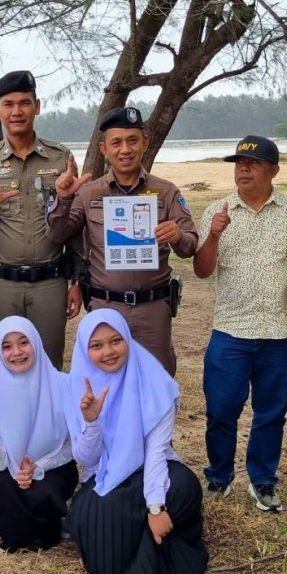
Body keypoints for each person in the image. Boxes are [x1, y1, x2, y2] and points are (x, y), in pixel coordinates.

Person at [193, 135, 287, 512]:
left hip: (279, 331)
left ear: (273, 170)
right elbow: (202, 270)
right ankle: (219, 476)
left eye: (254, 163)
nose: (243, 169)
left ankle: (262, 480)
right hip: (231, 331)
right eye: (239, 163)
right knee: (220, 411)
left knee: (271, 414)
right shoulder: (218, 211)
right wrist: (214, 234)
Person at [64, 309, 208, 574]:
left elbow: (156, 452)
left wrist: (155, 508)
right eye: (96, 345)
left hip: (152, 471)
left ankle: (140, 541)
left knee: (185, 486)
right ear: (84, 349)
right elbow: (88, 460)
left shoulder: (153, 380)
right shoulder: (76, 385)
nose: (108, 351)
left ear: (128, 339)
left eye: (116, 340)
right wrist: (91, 421)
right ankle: (152, 555)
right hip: (106, 475)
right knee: (94, 512)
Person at [45, 107, 198, 375]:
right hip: (106, 307)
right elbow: (57, 235)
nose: (125, 150)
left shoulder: (165, 191)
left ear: (145, 143)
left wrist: (178, 235)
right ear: (104, 149)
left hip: (153, 310)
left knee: (156, 382)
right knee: (106, 382)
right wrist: (64, 198)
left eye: (132, 140)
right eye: (116, 142)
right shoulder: (88, 193)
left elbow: (190, 246)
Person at [0, 70, 82, 366]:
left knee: (49, 365)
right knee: (6, 365)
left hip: (50, 284)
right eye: (8, 104)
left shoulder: (60, 157)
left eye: (24, 103)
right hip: (2, 285)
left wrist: (78, 280)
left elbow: (75, 224)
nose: (17, 111)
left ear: (37, 106)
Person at [0, 316, 77, 552]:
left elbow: (71, 446)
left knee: (43, 490)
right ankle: (21, 530)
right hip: (8, 470)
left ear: (36, 343)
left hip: (52, 468)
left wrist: (38, 467)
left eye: (24, 342)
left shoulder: (62, 385)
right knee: (0, 486)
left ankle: (41, 530)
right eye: (7, 346)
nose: (17, 352)